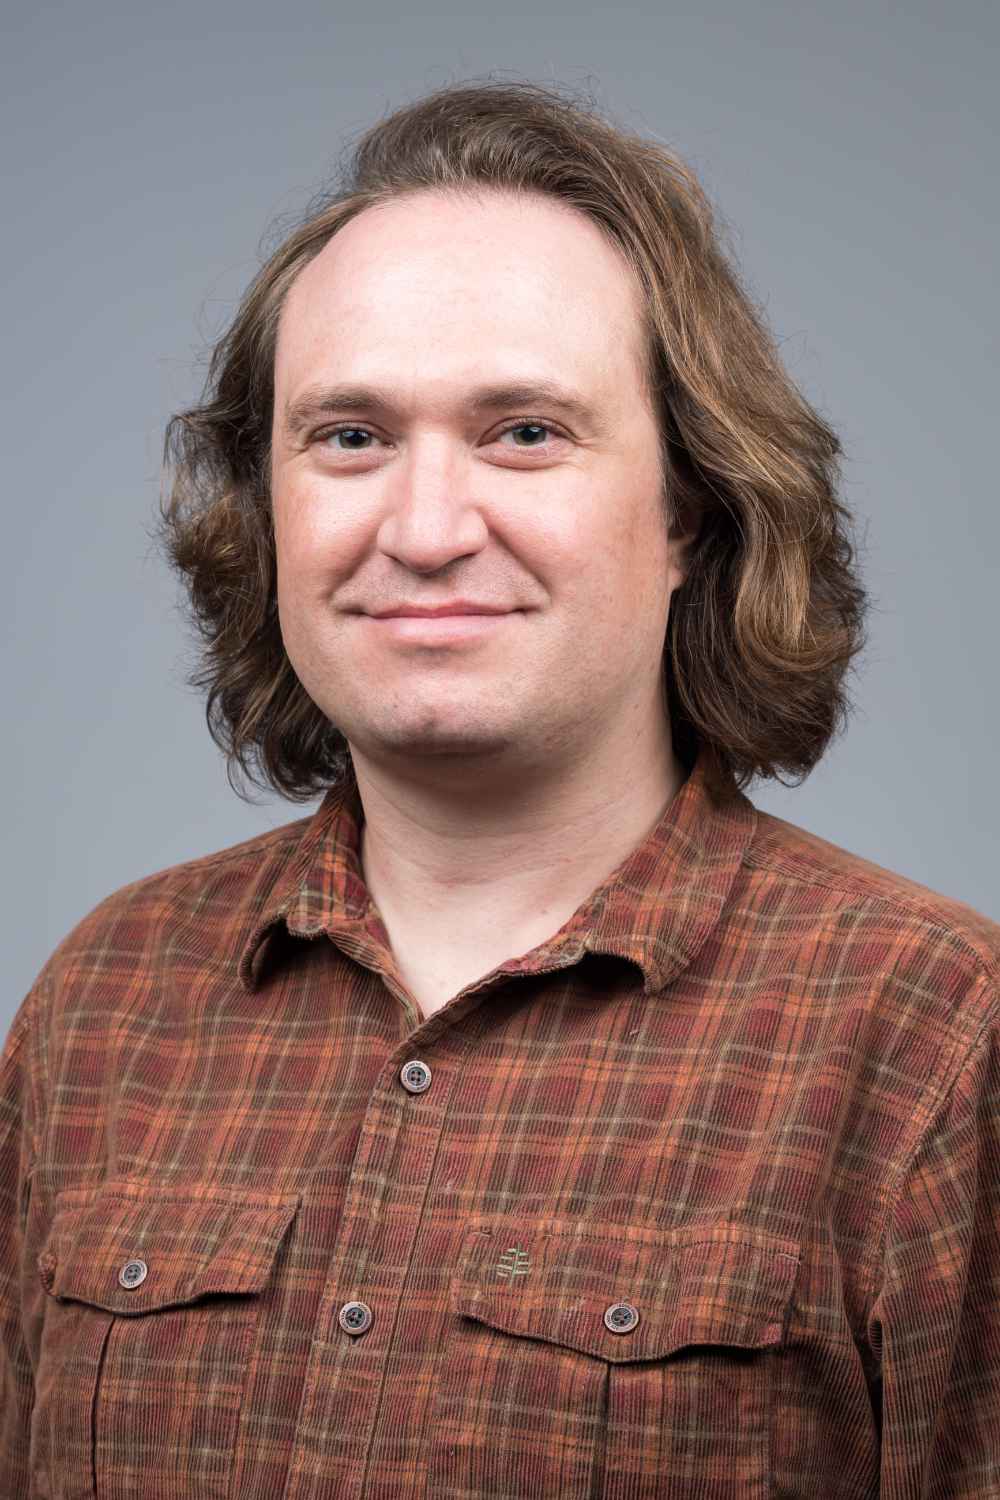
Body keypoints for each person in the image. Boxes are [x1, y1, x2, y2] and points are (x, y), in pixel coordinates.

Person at [2, 78, 998, 1500]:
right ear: (266, 507)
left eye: (525, 431)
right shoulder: (104, 1004)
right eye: (350, 437)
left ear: (691, 512)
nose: (423, 530)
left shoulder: (937, 1040)